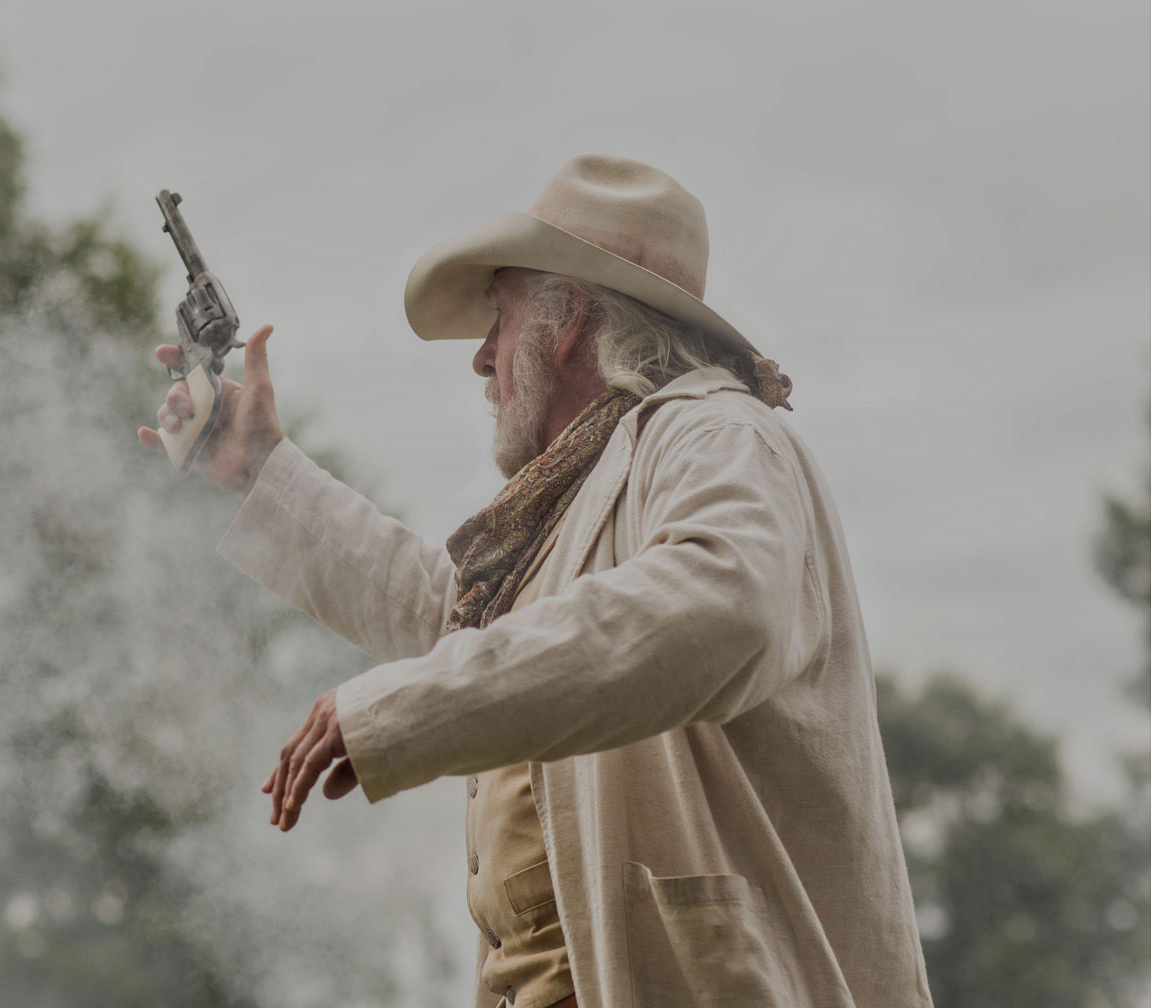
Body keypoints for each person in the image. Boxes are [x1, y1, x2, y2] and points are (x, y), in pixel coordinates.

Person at [137, 155, 934, 1008]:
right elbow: (462, 627)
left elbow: (721, 606)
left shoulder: (716, 432)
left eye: (500, 318)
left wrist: (394, 708)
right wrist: (262, 472)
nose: (482, 360)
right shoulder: (578, 499)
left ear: (568, 321)